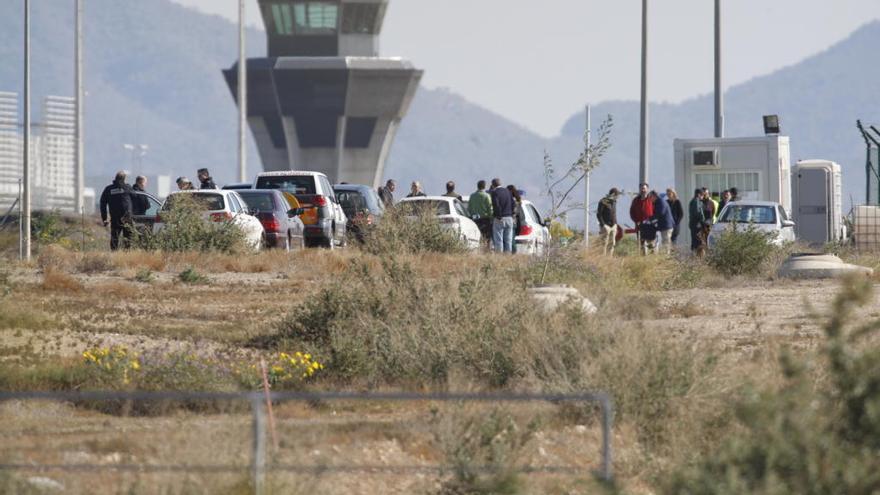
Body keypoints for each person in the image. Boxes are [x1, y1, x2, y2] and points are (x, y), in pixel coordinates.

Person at [99, 171, 134, 251]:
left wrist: (104, 218)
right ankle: (126, 256)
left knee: (115, 239)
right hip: (127, 218)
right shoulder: (127, 188)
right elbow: (136, 197)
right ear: (124, 179)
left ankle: (114, 256)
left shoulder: (108, 189)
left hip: (115, 218)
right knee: (128, 240)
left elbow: (102, 204)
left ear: (115, 178)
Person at [490, 178, 515, 253]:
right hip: (509, 218)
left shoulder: (495, 192)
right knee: (508, 240)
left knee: (499, 239)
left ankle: (499, 257)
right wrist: (511, 214)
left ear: (493, 185)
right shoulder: (507, 191)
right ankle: (508, 256)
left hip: (500, 218)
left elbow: (496, 205)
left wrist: (498, 216)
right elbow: (513, 203)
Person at [630, 183, 655, 255]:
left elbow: (656, 211)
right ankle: (643, 258)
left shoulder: (651, 199)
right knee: (641, 243)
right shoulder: (635, 200)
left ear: (647, 189)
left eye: (644, 188)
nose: (643, 190)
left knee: (651, 243)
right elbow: (632, 212)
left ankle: (652, 257)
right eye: (641, 188)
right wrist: (636, 221)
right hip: (639, 225)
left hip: (650, 225)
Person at [468, 180, 493, 248]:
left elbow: (469, 208)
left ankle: (479, 249)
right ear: (484, 186)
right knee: (486, 237)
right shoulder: (487, 196)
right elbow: (490, 208)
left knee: (477, 236)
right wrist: (491, 217)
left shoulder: (472, 196)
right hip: (485, 219)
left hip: (475, 219)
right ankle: (486, 250)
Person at [596, 188, 620, 256]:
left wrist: (616, 224)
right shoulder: (603, 201)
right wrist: (603, 225)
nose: (617, 198)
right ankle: (602, 259)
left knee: (612, 243)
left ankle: (609, 259)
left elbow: (614, 213)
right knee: (604, 243)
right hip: (605, 226)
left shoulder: (614, 202)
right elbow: (599, 214)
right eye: (616, 196)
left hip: (613, 226)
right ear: (612, 195)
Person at [651, 191, 675, 255]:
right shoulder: (659, 202)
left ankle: (666, 257)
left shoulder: (661, 202)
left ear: (654, 196)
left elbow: (660, 213)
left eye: (651, 197)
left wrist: (651, 218)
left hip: (666, 225)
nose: (650, 199)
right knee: (665, 241)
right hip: (665, 225)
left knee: (666, 242)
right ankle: (666, 255)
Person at [507, 185, 523, 253]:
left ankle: (513, 253)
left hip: (512, 221)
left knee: (511, 239)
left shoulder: (513, 201)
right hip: (514, 222)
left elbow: (514, 211)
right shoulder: (518, 200)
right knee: (511, 239)